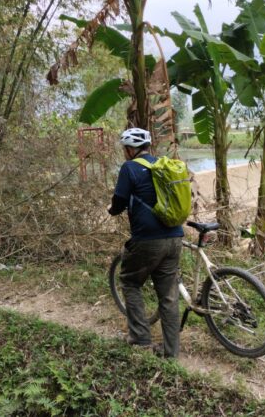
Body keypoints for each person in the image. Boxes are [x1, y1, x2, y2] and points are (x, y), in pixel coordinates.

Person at [108, 128, 183, 358]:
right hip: (175, 237)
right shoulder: (163, 165)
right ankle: (171, 352)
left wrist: (111, 209)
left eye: (125, 149)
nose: (124, 153)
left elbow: (119, 203)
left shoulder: (129, 168)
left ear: (130, 150)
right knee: (169, 296)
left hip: (148, 241)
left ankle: (140, 338)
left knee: (130, 281)